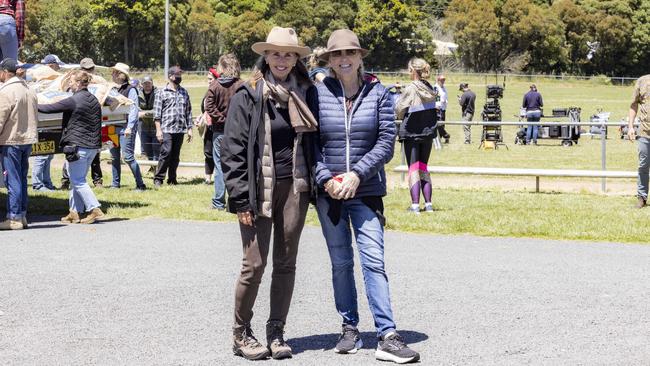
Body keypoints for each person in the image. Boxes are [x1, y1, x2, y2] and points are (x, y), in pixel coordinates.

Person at [313, 29, 420, 364]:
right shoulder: (316, 94)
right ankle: (349, 327)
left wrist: (356, 174)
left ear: (360, 57)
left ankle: (387, 334)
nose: (344, 59)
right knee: (341, 263)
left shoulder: (379, 94)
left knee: (374, 261)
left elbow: (386, 142)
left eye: (350, 53)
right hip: (329, 192)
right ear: (329, 60)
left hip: (367, 190)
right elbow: (309, 143)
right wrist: (326, 179)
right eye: (337, 55)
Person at [222, 26, 317, 361]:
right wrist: (239, 197)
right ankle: (240, 334)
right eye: (275, 53)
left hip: (295, 186)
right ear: (265, 56)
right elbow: (232, 150)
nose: (281, 59)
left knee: (286, 263)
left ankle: (276, 331)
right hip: (257, 190)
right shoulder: (247, 94)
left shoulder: (306, 92)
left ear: (295, 59)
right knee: (254, 264)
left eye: (288, 54)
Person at [39, 70, 104, 224]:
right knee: (76, 180)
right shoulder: (94, 99)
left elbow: (49, 108)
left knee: (78, 180)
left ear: (78, 83)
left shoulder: (74, 100)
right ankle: (74, 212)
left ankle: (94, 208)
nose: (69, 84)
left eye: (71, 82)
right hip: (92, 147)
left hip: (77, 147)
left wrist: (30, 103)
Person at [394, 57, 437, 214]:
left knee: (413, 169)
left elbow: (399, 109)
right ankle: (429, 204)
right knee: (423, 167)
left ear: (412, 70)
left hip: (412, 133)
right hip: (427, 132)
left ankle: (414, 206)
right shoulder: (429, 87)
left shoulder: (411, 88)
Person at [0, 58, 37, 230]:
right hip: (27, 139)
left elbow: (1, 118)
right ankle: (21, 215)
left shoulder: (6, 91)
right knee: (21, 178)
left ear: (5, 72)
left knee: (12, 179)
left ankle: (13, 217)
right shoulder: (29, 89)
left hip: (11, 140)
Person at [59, 57, 104, 190]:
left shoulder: (99, 83)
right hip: (80, 127)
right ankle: (66, 181)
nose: (89, 71)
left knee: (80, 177)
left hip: (87, 128)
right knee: (74, 158)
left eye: (90, 69)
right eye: (86, 69)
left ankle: (96, 182)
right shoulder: (74, 84)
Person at [205, 53, 242, 210]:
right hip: (238, 132)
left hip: (220, 132)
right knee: (237, 167)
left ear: (222, 67)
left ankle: (218, 202)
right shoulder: (241, 85)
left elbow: (209, 107)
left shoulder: (214, 86)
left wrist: (221, 119)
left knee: (220, 166)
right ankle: (234, 201)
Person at [152, 66, 192, 187]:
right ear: (170, 76)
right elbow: (157, 114)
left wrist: (190, 129)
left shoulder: (184, 92)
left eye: (180, 75)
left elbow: (188, 112)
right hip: (166, 129)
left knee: (175, 155)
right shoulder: (161, 92)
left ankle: (172, 179)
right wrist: (158, 130)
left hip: (180, 129)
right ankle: (158, 178)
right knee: (166, 152)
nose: (179, 77)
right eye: (177, 75)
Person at [109, 62, 146, 190]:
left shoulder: (131, 90)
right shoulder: (113, 90)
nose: (112, 74)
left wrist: (130, 127)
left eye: (114, 72)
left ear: (121, 75)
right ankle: (115, 184)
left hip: (125, 127)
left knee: (128, 157)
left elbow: (133, 109)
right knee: (114, 157)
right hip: (112, 127)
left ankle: (140, 184)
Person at [32, 54, 64, 190]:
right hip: (43, 122)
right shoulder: (41, 82)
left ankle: (47, 182)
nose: (59, 68)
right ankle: (38, 184)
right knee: (42, 155)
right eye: (57, 65)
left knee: (49, 155)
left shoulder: (51, 80)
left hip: (50, 121)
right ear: (51, 66)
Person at [627, 74, 650, 209]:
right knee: (643, 166)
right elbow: (633, 104)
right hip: (644, 133)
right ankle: (642, 197)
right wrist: (630, 127)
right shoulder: (642, 81)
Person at [199, 68, 218, 184]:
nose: (208, 81)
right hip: (208, 127)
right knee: (208, 152)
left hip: (218, 127)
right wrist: (201, 117)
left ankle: (219, 176)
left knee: (218, 153)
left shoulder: (219, 91)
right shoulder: (208, 91)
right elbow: (204, 109)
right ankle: (208, 178)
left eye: (210, 79)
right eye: (208, 79)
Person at [137, 75, 159, 162]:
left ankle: (157, 169)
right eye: (145, 83)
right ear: (142, 84)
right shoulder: (138, 94)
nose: (147, 85)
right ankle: (152, 167)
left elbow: (157, 110)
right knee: (147, 149)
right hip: (144, 127)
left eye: (149, 83)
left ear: (152, 83)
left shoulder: (158, 93)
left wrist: (144, 113)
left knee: (156, 149)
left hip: (156, 126)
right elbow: (136, 108)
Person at [434, 74, 450, 143]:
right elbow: (436, 97)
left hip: (443, 108)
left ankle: (440, 138)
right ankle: (446, 136)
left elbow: (445, 96)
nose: (443, 81)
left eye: (444, 80)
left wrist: (446, 101)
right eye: (442, 80)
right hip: (438, 108)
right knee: (439, 124)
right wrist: (437, 105)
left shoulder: (444, 88)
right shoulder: (436, 87)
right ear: (438, 80)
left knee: (442, 124)